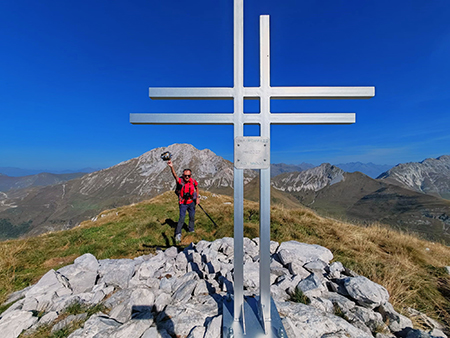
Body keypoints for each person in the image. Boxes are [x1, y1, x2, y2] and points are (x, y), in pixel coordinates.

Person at [167, 160, 199, 243]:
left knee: (192, 217)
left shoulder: (193, 181)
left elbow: (197, 187)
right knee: (182, 218)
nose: (187, 177)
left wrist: (197, 197)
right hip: (183, 203)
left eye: (188, 175)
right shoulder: (180, 181)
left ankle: (191, 230)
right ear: (183, 175)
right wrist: (171, 167)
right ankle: (178, 233)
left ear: (190, 175)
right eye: (185, 175)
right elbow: (174, 175)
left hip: (191, 202)